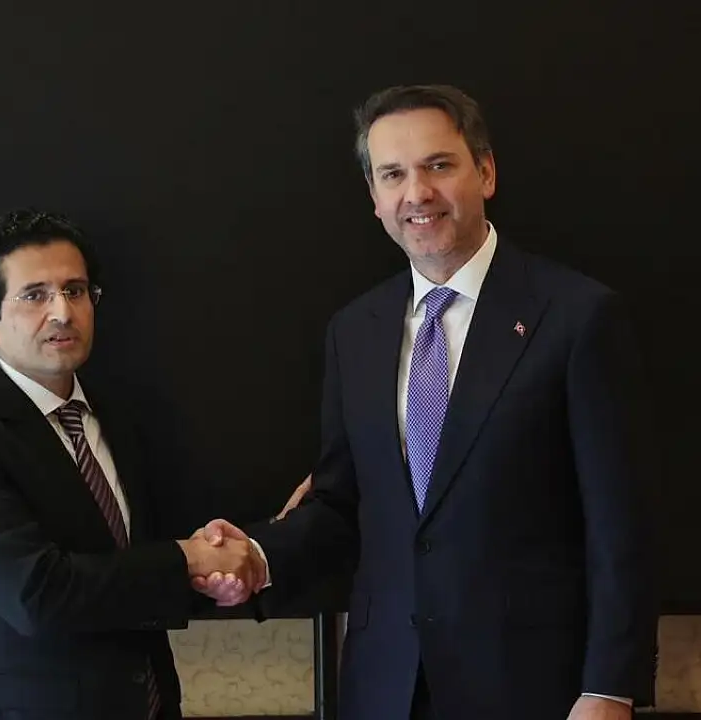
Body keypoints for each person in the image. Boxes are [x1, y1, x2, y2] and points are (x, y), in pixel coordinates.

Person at [198, 85, 657, 719]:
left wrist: (608, 687)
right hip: (385, 688)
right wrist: (258, 554)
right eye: (393, 174)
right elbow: (343, 503)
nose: (417, 193)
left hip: (533, 690)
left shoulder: (577, 317)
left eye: (438, 165)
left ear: (485, 172)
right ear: (374, 197)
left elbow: (620, 523)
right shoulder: (354, 331)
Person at [0, 209, 264, 720]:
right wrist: (187, 561)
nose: (62, 312)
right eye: (35, 296)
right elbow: (37, 595)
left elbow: (133, 565)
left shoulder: (121, 416)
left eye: (75, 291)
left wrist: (211, 574)